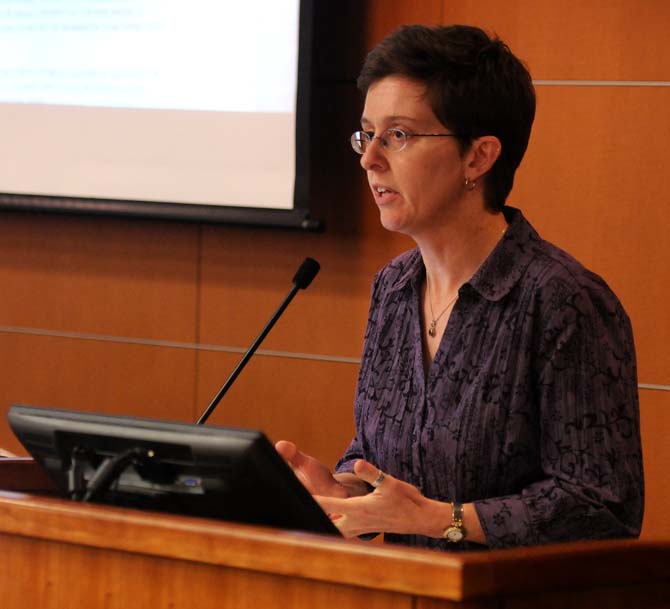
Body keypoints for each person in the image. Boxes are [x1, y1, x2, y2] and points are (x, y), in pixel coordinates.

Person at [276, 24, 643, 551]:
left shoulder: (562, 300)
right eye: (367, 133)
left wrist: (441, 519)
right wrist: (347, 490)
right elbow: (389, 457)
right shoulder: (395, 287)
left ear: (479, 156)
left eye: (398, 135)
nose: (369, 158)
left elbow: (602, 506)